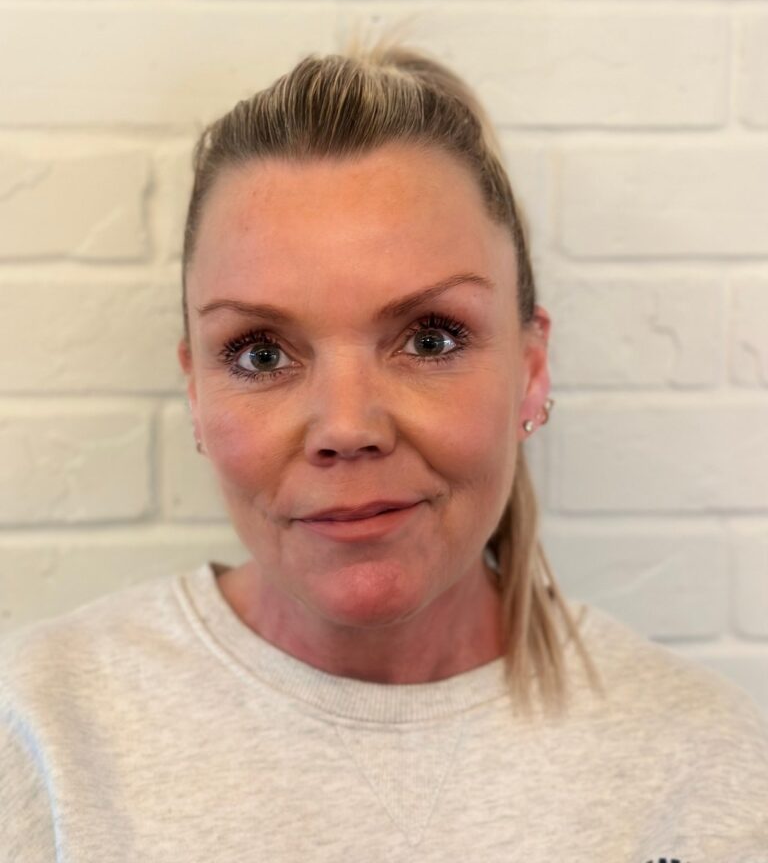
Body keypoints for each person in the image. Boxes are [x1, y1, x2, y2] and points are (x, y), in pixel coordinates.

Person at [1, 43, 766, 862]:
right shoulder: (41, 734)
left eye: (431, 339)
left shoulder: (707, 767)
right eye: (261, 353)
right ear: (196, 391)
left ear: (530, 372)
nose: (346, 425)